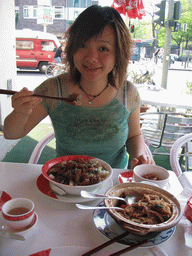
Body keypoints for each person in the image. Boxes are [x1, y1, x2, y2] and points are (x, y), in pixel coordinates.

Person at [3, 5, 155, 169]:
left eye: (103, 48)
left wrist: (140, 155)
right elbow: (11, 134)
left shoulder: (128, 93)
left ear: (118, 53)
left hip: (113, 183)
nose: (91, 58)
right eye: (82, 45)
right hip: (66, 181)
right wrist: (21, 111)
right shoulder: (53, 89)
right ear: (72, 48)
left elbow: (133, 136)